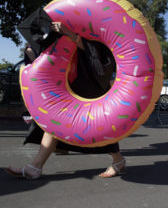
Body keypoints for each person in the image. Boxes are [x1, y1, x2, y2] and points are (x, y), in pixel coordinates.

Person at [5, 22, 125, 179]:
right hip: (67, 88)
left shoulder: (98, 32)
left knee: (100, 131)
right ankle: (35, 167)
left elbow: (101, 62)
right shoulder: (62, 35)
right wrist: (33, 47)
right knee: (53, 125)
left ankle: (118, 160)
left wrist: (73, 35)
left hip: (89, 91)